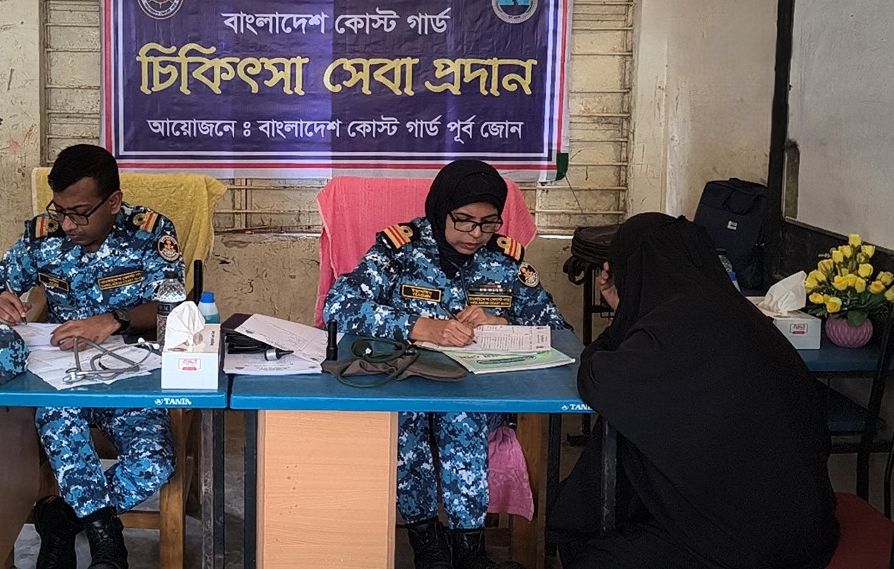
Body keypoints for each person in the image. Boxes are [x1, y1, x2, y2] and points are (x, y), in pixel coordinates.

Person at [548, 213, 838, 569]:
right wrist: (627, 310)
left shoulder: (671, 329)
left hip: (745, 544)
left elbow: (597, 378)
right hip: (808, 527)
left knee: (594, 557)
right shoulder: (734, 312)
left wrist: (621, 315)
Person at [323, 159, 566, 569]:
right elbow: (339, 306)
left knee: (462, 412)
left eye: (488, 223)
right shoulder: (400, 251)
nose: (475, 234)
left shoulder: (505, 260)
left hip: (477, 390)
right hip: (407, 382)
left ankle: (470, 550)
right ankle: (427, 543)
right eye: (464, 221)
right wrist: (418, 325)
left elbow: (557, 328)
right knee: (408, 419)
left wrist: (503, 323)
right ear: (441, 210)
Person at [0, 144, 183, 569]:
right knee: (58, 425)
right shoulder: (43, 235)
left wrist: (114, 319)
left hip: (132, 374)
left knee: (155, 463)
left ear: (114, 202)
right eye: (61, 211)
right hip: (61, 377)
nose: (68, 224)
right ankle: (109, 547)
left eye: (81, 213)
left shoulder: (151, 233)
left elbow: (173, 306)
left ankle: (60, 519)